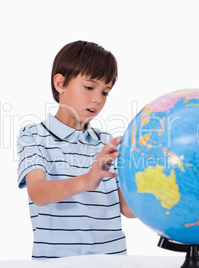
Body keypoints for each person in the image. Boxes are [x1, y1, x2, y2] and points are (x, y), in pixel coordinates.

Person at [17, 40, 135, 260]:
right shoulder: (33, 135)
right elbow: (38, 193)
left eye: (105, 92)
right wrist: (86, 180)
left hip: (113, 262)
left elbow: (127, 208)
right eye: (89, 87)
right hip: (57, 263)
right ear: (60, 83)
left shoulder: (108, 143)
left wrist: (167, 191)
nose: (97, 99)